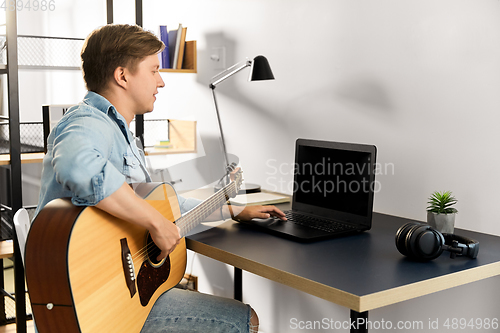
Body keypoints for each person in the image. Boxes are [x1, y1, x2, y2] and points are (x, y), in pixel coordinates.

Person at [35, 24, 286, 332]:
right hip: (96, 300)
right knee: (245, 320)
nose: (162, 81)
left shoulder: (122, 132)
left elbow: (160, 205)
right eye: (154, 70)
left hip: (116, 291)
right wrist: (155, 223)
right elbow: (77, 167)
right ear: (122, 75)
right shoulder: (87, 121)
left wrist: (231, 209)